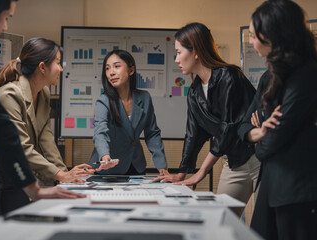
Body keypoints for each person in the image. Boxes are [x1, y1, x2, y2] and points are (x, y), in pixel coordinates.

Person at [0, 0, 84, 229]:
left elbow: (45, 139)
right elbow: (18, 141)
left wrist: (62, 173)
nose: (5, 27)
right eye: (7, 18)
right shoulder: (9, 92)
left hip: (12, 161)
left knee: (19, 224)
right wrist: (49, 179)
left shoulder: (43, 94)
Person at [152, 22, 259, 217]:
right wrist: (182, 173)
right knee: (222, 219)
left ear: (196, 51)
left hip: (260, 157)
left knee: (268, 226)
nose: (176, 59)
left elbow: (229, 128)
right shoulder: (194, 92)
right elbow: (193, 135)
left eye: (179, 52)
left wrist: (201, 173)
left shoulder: (229, 75)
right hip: (233, 162)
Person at [237, 0, 317, 239]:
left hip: (298, 189)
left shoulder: (307, 74)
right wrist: (259, 133)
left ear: (274, 34)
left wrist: (261, 139)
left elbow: (270, 144)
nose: (251, 41)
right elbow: (241, 127)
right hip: (272, 185)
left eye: (254, 35)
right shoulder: (269, 77)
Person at [88, 50, 169, 175]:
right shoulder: (103, 101)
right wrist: (105, 155)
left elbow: (152, 133)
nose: (111, 73)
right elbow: (100, 133)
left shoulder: (144, 97)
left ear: (131, 70)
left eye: (117, 66)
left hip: (136, 165)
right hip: (108, 167)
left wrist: (161, 165)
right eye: (107, 68)